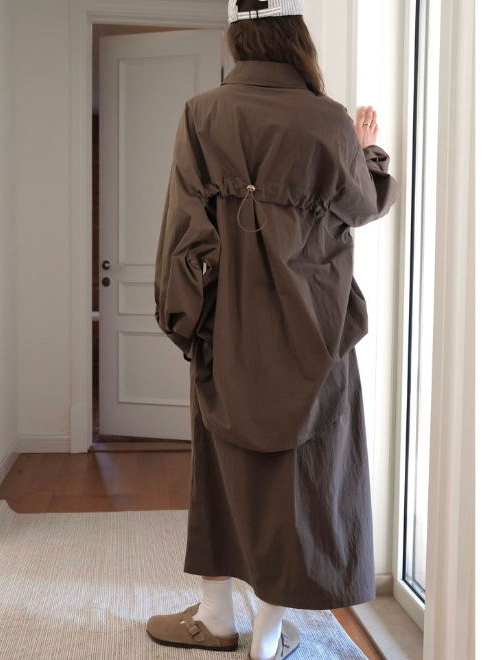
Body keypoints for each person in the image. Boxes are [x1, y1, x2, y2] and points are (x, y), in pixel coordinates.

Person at [148, 1, 400, 658]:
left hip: (228, 330)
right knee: (299, 478)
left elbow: (183, 235)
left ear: (238, 37)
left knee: (222, 470)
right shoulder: (328, 119)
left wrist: (187, 327)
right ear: (296, 36)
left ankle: (215, 617)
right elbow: (364, 205)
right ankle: (265, 633)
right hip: (314, 334)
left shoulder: (202, 114)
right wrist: (365, 151)